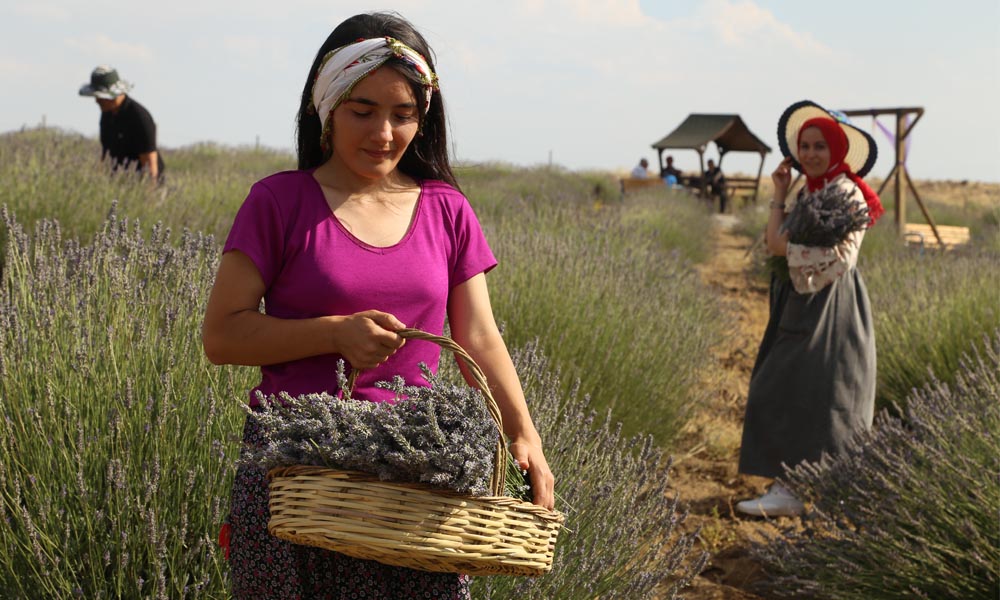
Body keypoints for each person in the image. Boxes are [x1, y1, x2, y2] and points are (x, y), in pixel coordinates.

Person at [201, 11, 555, 598]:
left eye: (404, 114)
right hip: (294, 476)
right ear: (326, 106)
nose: (383, 133)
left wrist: (524, 435)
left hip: (415, 483)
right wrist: (335, 334)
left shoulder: (447, 210)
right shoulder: (277, 202)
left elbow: (479, 339)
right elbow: (223, 336)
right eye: (362, 111)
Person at [736, 100, 884, 517]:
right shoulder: (809, 190)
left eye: (821, 146)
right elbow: (773, 242)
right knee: (786, 385)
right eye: (806, 146)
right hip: (801, 301)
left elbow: (842, 258)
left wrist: (788, 250)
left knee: (823, 391)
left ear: (836, 150)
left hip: (831, 303)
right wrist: (780, 193)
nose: (812, 154)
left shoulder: (845, 191)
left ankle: (805, 490)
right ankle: (791, 485)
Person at [78, 65, 165, 182]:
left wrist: (148, 198)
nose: (97, 101)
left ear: (112, 96)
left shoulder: (140, 118)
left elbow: (150, 167)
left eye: (100, 97)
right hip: (118, 187)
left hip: (143, 187)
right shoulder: (107, 114)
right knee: (114, 202)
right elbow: (107, 156)